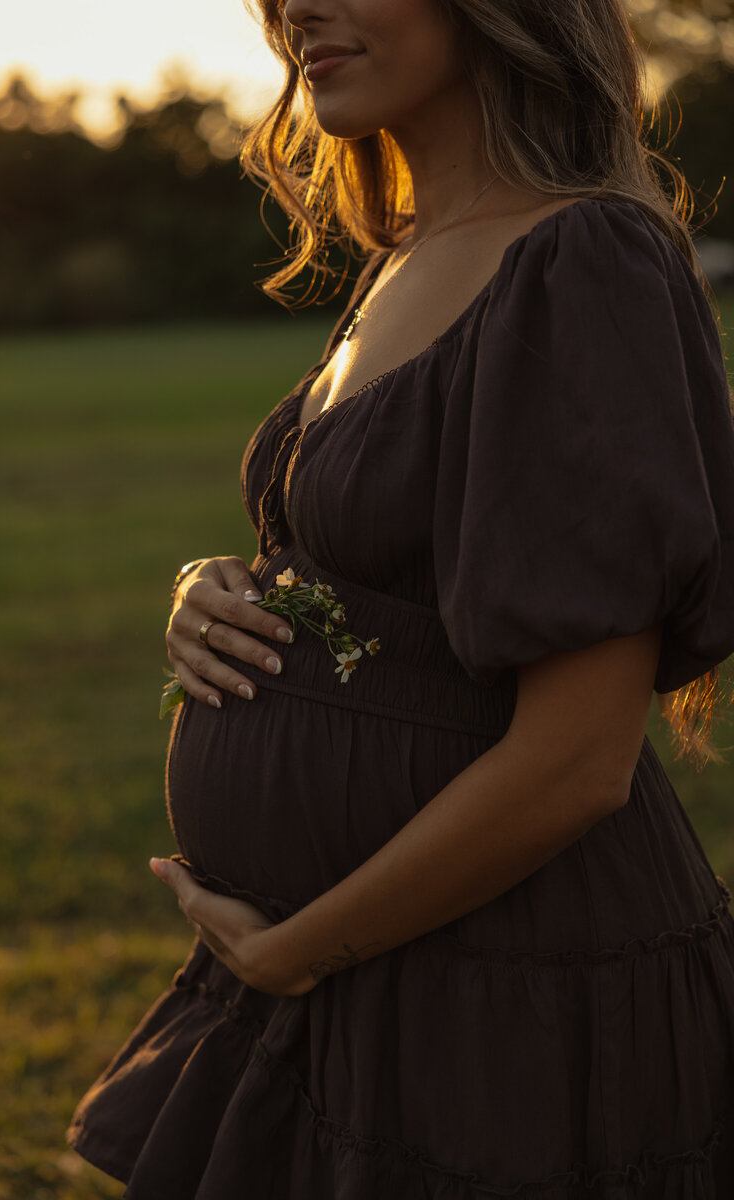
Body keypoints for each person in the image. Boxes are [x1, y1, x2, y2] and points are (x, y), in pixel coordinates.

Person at [66, 0, 734, 1195]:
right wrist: (210, 586)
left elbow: (576, 760)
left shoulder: (580, 261)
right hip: (359, 963)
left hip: (505, 982)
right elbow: (380, 568)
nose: (295, 10)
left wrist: (296, 952)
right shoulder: (408, 254)